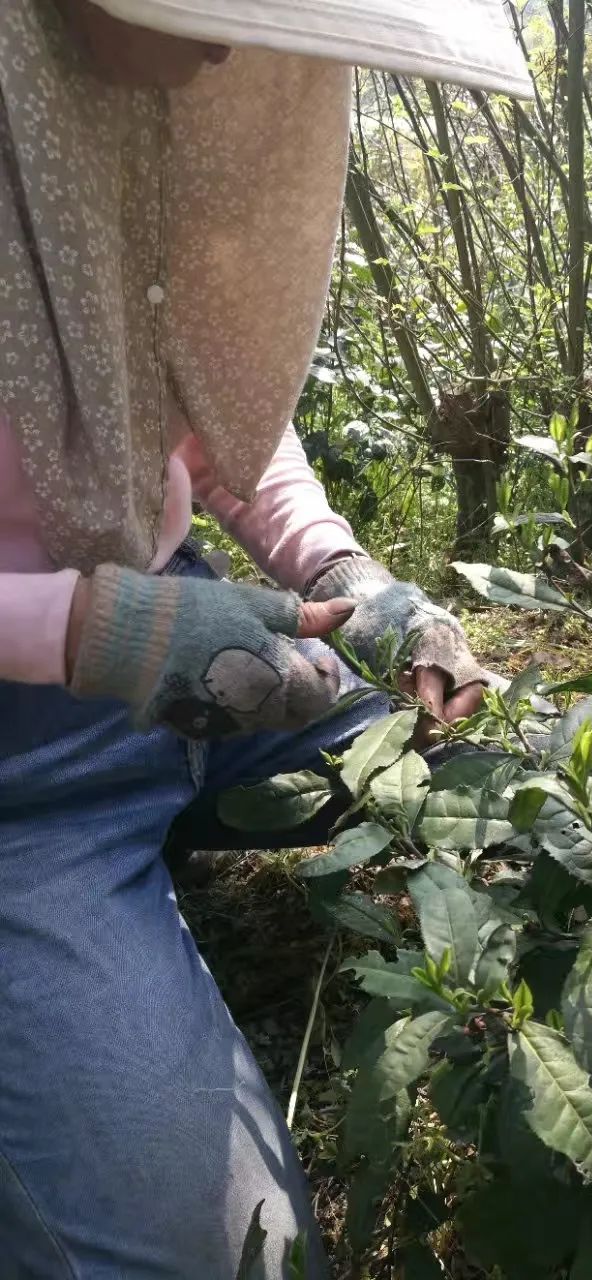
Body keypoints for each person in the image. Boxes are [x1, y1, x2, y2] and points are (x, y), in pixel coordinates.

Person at [0, 2, 532, 1275]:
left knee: (499, 772)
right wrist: (85, 628)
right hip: (22, 783)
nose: (240, 46)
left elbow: (208, 395)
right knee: (226, 1249)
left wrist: (349, 574)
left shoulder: (166, 107)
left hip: (182, 631)